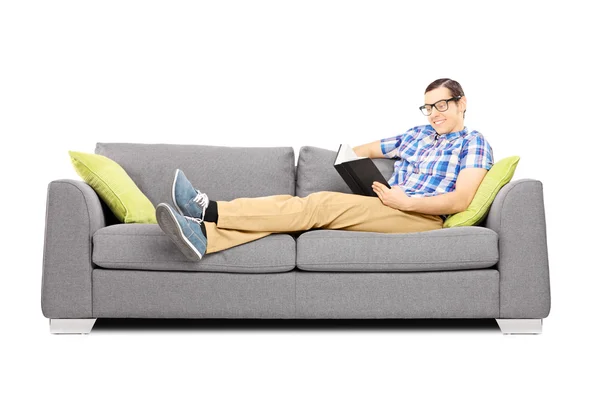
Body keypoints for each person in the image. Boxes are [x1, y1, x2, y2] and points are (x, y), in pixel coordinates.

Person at [155, 78, 494, 261]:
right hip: (385, 204)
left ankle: (208, 209)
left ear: (461, 103)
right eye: (428, 106)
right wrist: (355, 166)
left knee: (319, 204)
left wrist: (406, 202)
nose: (434, 113)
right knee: (294, 215)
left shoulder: (473, 142)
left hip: (420, 216)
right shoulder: (416, 135)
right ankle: (204, 237)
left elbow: (461, 200)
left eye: (442, 105)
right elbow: (361, 150)